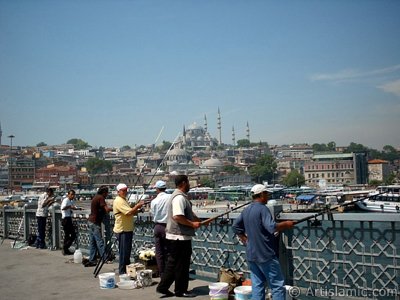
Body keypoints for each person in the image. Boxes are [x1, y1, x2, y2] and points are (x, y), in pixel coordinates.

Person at [232, 184, 294, 300]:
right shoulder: (262, 209)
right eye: (266, 194)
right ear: (261, 195)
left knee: (257, 285)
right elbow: (271, 227)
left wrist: (244, 238)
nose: (268, 196)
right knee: (277, 285)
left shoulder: (246, 210)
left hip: (252, 254)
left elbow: (235, 226)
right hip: (266, 255)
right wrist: (286, 224)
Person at [157, 175, 210, 298]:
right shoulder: (179, 198)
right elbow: (178, 216)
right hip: (179, 236)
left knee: (173, 264)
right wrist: (192, 224)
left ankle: (163, 287)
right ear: (183, 183)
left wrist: (201, 221)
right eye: (188, 183)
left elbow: (189, 214)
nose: (190, 185)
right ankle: (181, 290)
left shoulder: (180, 197)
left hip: (176, 236)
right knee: (182, 264)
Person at [113, 183, 144, 275]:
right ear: (118, 192)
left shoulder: (123, 200)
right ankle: (122, 271)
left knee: (126, 252)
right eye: (123, 190)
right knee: (123, 253)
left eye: (126, 190)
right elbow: (128, 212)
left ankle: (126, 270)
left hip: (127, 229)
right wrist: (137, 206)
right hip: (122, 230)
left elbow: (129, 211)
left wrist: (137, 209)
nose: (125, 192)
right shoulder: (119, 201)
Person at [87, 186, 113, 266]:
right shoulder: (101, 198)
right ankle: (104, 258)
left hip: (90, 221)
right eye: (107, 192)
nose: (107, 194)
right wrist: (116, 208)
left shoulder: (96, 197)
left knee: (93, 242)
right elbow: (106, 209)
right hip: (95, 222)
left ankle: (92, 259)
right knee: (99, 241)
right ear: (104, 192)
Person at [150, 180, 171, 278]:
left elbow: (153, 214)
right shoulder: (171, 198)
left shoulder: (154, 201)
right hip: (169, 227)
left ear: (157, 189)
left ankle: (162, 273)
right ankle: (170, 272)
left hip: (158, 227)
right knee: (169, 251)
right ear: (165, 188)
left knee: (159, 252)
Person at [61, 189, 80, 255]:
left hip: (68, 219)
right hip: (66, 219)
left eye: (73, 195)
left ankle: (65, 249)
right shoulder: (66, 200)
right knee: (70, 235)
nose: (73, 196)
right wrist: (69, 207)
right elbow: (63, 208)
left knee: (68, 235)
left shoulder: (70, 201)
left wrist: (78, 208)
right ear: (68, 194)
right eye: (71, 194)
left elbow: (73, 207)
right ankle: (65, 248)